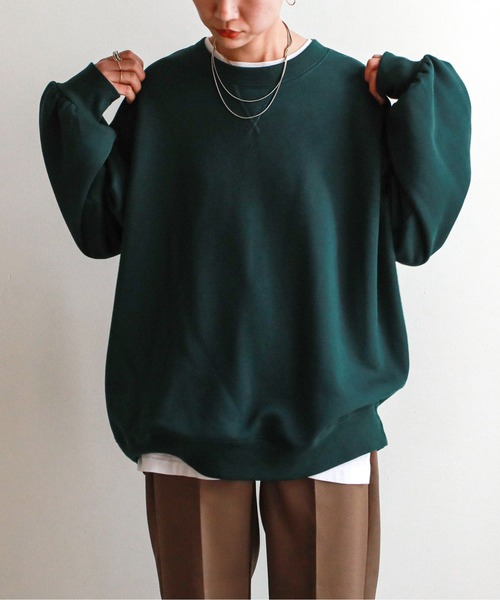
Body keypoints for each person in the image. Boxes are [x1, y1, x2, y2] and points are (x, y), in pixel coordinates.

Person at [39, 0, 471, 598]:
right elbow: (98, 229)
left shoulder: (354, 94)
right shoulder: (162, 96)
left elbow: (417, 234)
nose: (225, 10)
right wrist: (82, 101)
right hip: (188, 416)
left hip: (327, 413)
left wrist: (418, 90)